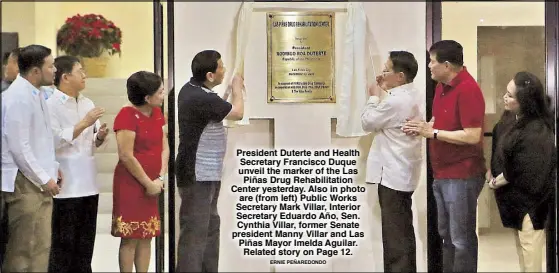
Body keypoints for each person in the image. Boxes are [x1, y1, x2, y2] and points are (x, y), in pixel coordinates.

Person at [402, 40, 486, 272]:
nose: (428, 66)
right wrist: (424, 127)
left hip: (462, 175)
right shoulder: (441, 86)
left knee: (461, 240)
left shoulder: (468, 89)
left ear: (447, 65)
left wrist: (434, 133)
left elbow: (472, 135)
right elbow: (442, 125)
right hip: (442, 173)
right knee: (446, 237)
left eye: (432, 61)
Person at [175, 50, 244, 272]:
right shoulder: (199, 97)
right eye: (221, 67)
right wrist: (237, 89)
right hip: (197, 173)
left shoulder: (195, 91)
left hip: (208, 173)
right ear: (210, 75)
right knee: (195, 233)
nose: (224, 70)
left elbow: (216, 111)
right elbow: (238, 113)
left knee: (210, 228)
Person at [1, 44, 62, 273]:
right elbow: (19, 147)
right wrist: (43, 177)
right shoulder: (18, 97)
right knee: (23, 248)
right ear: (36, 71)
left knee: (41, 246)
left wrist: (53, 169)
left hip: (39, 179)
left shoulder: (36, 94)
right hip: (25, 181)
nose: (54, 69)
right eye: (50, 65)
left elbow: (42, 138)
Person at [487, 72, 555, 272]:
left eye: (510, 96)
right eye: (506, 93)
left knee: (530, 256)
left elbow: (521, 170)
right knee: (524, 254)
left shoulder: (537, 131)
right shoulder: (513, 119)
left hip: (531, 204)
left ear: (524, 101)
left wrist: (496, 181)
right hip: (516, 201)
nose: (504, 98)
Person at [46, 56, 109, 273]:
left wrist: (99, 136)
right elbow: (54, 140)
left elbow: (92, 141)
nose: (85, 75)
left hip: (89, 183)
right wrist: (84, 123)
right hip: (65, 186)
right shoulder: (50, 105)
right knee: (63, 247)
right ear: (65, 77)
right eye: (80, 71)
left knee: (85, 246)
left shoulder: (87, 103)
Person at [361, 51, 422, 272]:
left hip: (392, 175)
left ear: (400, 76)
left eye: (386, 70)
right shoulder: (411, 95)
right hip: (403, 172)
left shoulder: (395, 102)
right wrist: (385, 90)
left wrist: (374, 96)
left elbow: (368, 122)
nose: (382, 73)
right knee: (402, 232)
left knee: (395, 236)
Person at [111, 71, 168, 273]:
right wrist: (148, 183)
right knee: (131, 237)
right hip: (131, 184)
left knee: (147, 234)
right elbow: (126, 155)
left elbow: (164, 147)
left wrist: (160, 178)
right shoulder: (126, 115)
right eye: (160, 92)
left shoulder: (157, 113)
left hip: (154, 183)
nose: (163, 96)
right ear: (147, 97)